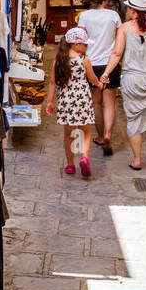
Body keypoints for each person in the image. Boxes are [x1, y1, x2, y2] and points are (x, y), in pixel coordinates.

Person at [99, 0, 146, 170]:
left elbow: (116, 53)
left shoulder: (124, 29)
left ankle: (136, 160)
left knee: (134, 119)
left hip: (132, 81)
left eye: (128, 8)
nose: (127, 10)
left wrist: (106, 73)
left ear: (133, 11)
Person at [44, 26, 97, 177]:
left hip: (66, 100)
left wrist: (49, 102)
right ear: (75, 44)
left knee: (69, 134)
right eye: (84, 44)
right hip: (82, 99)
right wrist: (100, 83)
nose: (86, 47)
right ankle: (84, 158)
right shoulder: (84, 60)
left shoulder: (59, 60)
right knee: (86, 132)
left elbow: (53, 82)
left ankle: (70, 165)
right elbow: (92, 79)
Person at [77, 0, 122, 155]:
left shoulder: (84, 16)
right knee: (110, 102)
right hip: (110, 64)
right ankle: (109, 134)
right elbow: (119, 41)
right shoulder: (113, 16)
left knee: (95, 102)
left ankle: (101, 135)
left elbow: (80, 41)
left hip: (91, 63)